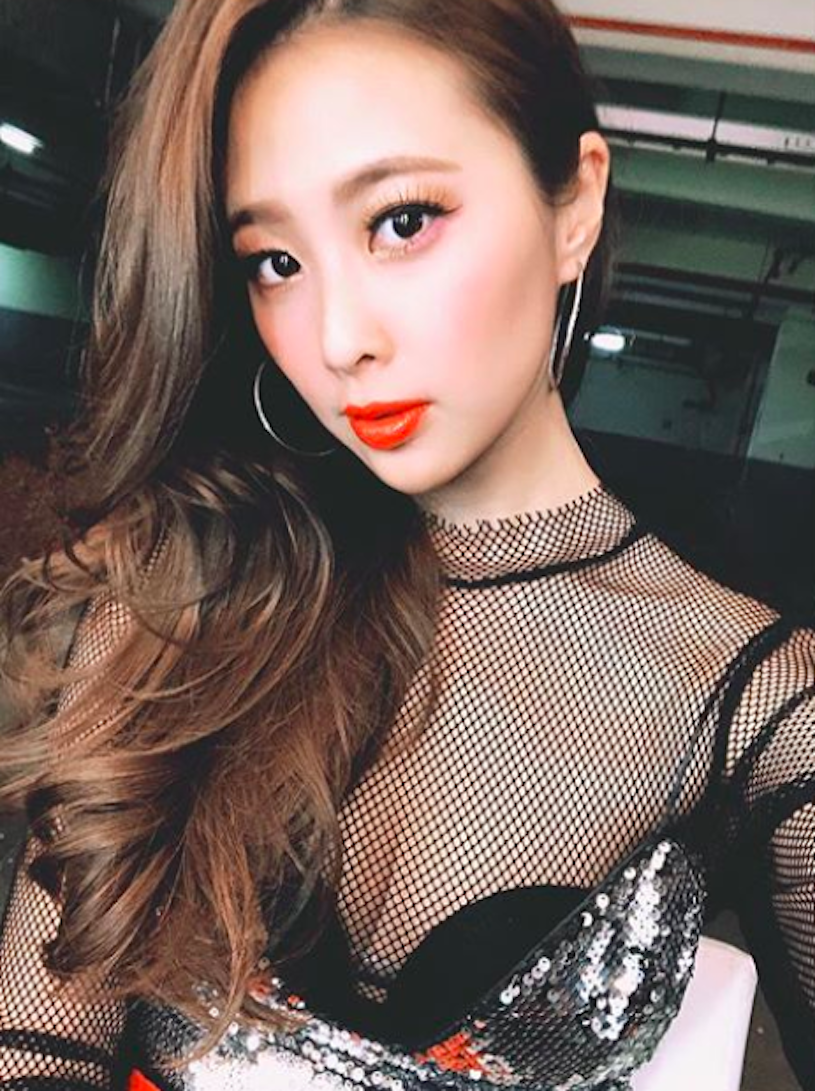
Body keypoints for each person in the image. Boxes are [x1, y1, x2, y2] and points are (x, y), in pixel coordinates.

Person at [0, 0, 813, 1088]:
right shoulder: (180, 593)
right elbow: (41, 1047)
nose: (338, 338)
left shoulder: (751, 701)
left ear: (574, 204)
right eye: (275, 260)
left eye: (400, 220)